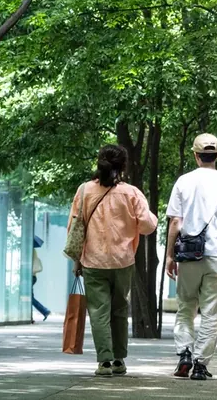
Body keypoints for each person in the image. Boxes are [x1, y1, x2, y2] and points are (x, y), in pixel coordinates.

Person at [69, 145, 158, 377]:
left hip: (93, 262)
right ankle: (119, 360)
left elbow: (75, 227)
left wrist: (76, 260)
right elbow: (148, 226)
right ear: (123, 166)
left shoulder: (85, 190)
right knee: (119, 310)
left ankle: (104, 362)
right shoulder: (131, 193)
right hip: (123, 261)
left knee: (99, 312)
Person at [166, 133, 217, 381]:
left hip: (189, 256)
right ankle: (201, 365)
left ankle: (184, 354)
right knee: (212, 312)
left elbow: (175, 222)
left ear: (195, 154)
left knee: (185, 308)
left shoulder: (183, 181)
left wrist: (170, 256)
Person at [31, 236, 50, 322]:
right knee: (29, 297)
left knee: (28, 297)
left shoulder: (29, 251)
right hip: (33, 276)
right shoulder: (33, 250)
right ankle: (42, 312)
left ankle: (44, 310)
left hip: (30, 277)